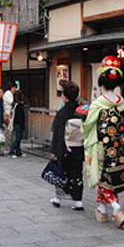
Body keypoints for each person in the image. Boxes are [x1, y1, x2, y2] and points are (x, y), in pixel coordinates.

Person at [82, 56, 124, 228]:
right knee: (108, 178)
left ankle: (115, 208)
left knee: (105, 178)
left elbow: (89, 125)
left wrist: (85, 118)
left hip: (102, 146)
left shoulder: (98, 104)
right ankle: (101, 209)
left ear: (101, 82)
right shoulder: (122, 103)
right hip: (120, 148)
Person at [50, 82, 84, 211]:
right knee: (76, 173)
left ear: (64, 96)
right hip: (78, 146)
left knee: (61, 172)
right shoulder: (80, 111)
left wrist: (55, 151)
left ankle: (58, 198)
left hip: (64, 148)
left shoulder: (62, 113)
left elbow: (57, 133)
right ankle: (78, 200)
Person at [8, 90, 26, 159]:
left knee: (18, 138)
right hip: (19, 124)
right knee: (18, 139)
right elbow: (20, 117)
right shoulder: (18, 106)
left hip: (16, 123)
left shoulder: (15, 105)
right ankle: (11, 151)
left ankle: (18, 152)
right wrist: (22, 124)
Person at [3, 82, 17, 156]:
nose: (15, 89)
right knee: (9, 132)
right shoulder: (8, 94)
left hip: (10, 114)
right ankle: (7, 149)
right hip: (8, 115)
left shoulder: (9, 94)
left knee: (9, 132)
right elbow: (12, 103)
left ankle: (9, 148)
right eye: (14, 88)